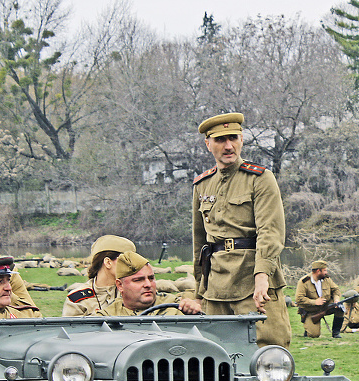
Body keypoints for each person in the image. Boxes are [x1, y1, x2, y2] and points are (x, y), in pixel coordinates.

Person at [191, 112, 289, 348]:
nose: (228, 146)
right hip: (215, 287)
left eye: (233, 138)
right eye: (220, 140)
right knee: (215, 354)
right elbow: (199, 241)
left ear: (242, 139)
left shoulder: (260, 178)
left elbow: (271, 232)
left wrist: (262, 277)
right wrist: (198, 290)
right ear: (208, 144)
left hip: (252, 282)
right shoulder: (202, 184)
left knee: (266, 350)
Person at [101, 251, 202, 316]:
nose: (148, 284)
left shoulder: (174, 306)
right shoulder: (108, 316)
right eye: (138, 280)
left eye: (151, 278)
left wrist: (193, 311)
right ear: (120, 285)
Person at [62, 235, 136, 316]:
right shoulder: (77, 300)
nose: (133, 266)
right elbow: (72, 327)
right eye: (127, 260)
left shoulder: (133, 293)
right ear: (108, 262)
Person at [295, 260, 344, 339]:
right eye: (324, 270)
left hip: (325, 306)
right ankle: (308, 328)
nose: (326, 272)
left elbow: (336, 290)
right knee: (314, 335)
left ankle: (336, 333)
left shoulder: (326, 279)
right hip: (311, 311)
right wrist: (314, 302)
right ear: (318, 271)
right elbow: (299, 298)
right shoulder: (304, 282)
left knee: (340, 307)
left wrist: (336, 299)